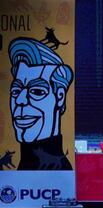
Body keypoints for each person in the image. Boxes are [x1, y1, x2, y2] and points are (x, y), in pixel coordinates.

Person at [8, 37, 73, 170]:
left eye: (37, 91)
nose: (20, 100)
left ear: (60, 97)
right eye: (16, 91)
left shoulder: (58, 170)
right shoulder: (23, 165)